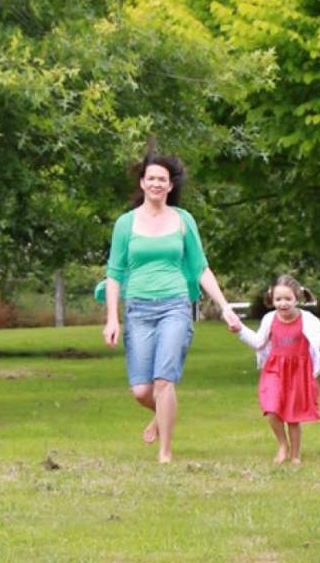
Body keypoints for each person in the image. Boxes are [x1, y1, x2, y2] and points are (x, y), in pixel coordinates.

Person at [101, 151, 241, 463]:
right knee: (141, 390)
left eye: (162, 179)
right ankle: (165, 411)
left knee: (164, 381)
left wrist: (224, 306)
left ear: (169, 185)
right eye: (151, 178)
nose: (156, 184)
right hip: (137, 308)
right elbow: (114, 273)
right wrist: (112, 318)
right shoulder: (126, 224)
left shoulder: (183, 220)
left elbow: (201, 268)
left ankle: (165, 453)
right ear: (142, 183)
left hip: (175, 306)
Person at [236, 274, 320, 464]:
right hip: (274, 369)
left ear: (297, 298)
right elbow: (258, 342)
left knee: (293, 415)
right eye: (278, 299)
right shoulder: (269, 319)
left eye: (287, 299)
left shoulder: (308, 320)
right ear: (272, 299)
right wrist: (240, 330)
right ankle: (283, 444)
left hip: (298, 373)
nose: (283, 303)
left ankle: (295, 454)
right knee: (272, 408)